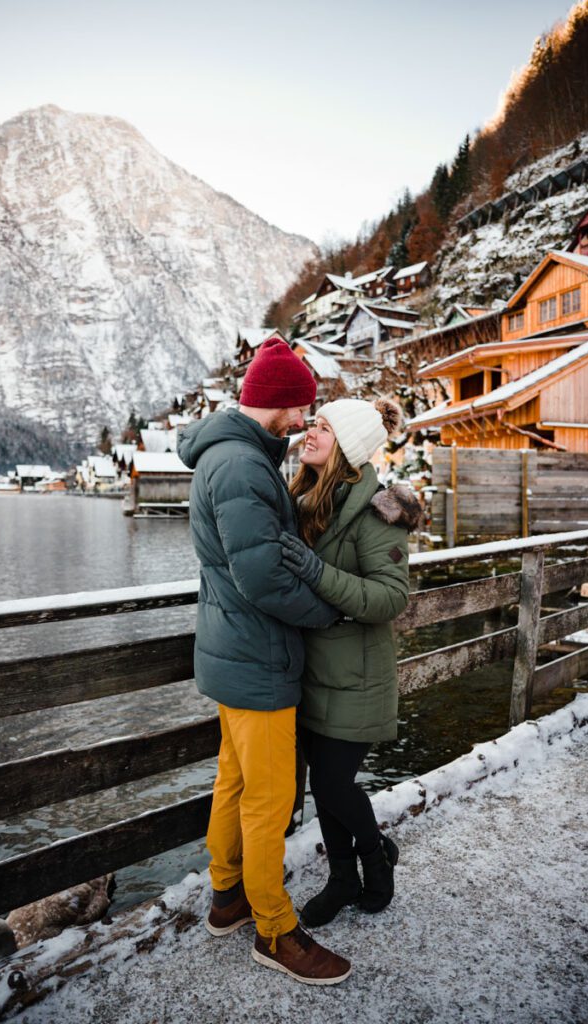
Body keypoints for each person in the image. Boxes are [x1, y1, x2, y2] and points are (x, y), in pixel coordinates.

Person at [178, 337, 352, 986]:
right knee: (269, 801)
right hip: (257, 660)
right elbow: (262, 580)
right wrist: (327, 612)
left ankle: (226, 899)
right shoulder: (243, 469)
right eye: (301, 405)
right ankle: (274, 931)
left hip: (232, 654)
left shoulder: (233, 457)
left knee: (235, 783)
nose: (306, 417)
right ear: (277, 406)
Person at [279, 397, 422, 928]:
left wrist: (317, 573)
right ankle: (343, 878)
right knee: (323, 784)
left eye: (322, 427)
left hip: (357, 677)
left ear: (348, 446)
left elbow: (390, 599)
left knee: (335, 784)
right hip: (314, 672)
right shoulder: (307, 497)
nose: (310, 432)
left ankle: (374, 862)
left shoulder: (376, 511)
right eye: (312, 423)